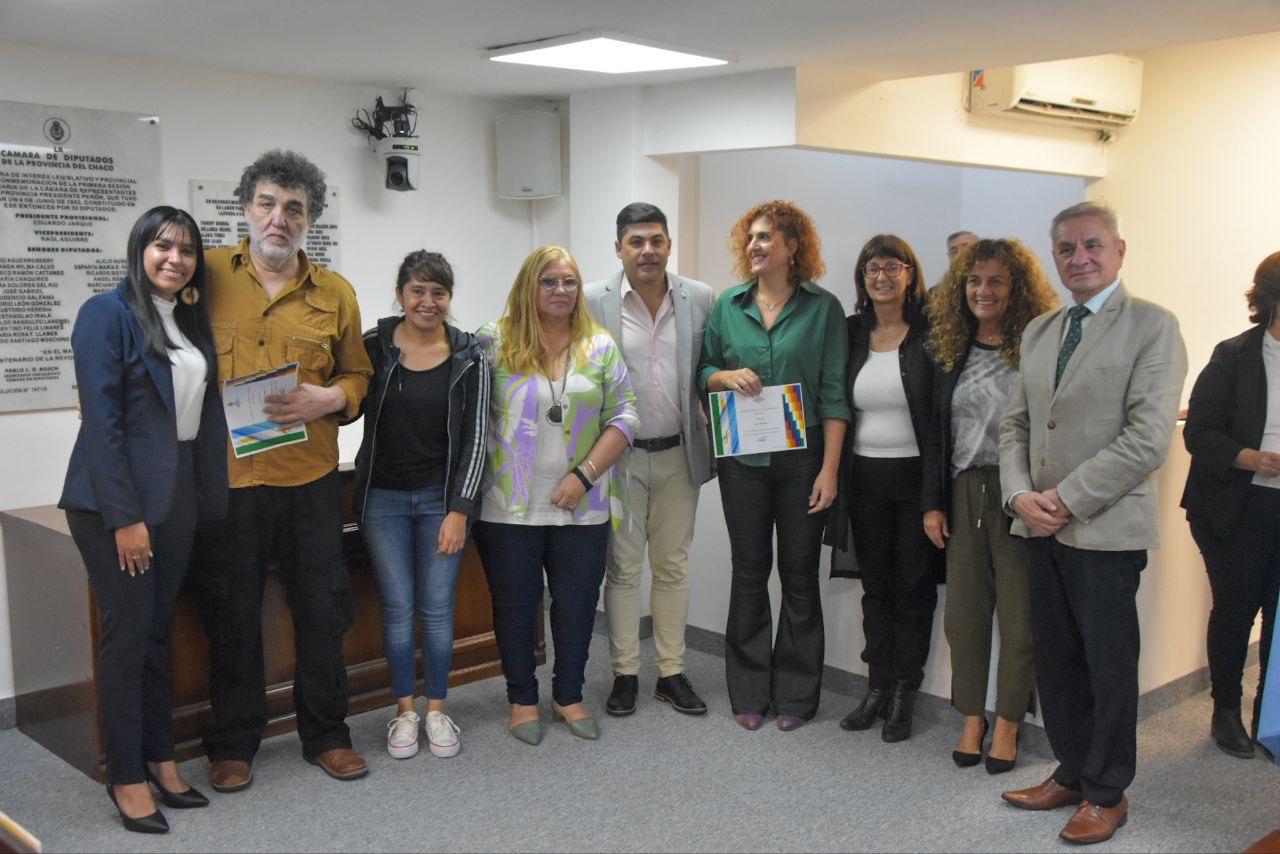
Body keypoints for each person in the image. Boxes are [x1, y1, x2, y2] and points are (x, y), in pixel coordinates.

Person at [999, 202, 1186, 845]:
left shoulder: (1153, 327)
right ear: (1054, 257)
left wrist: (1065, 499)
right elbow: (1016, 425)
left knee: (1108, 666)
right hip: (1037, 527)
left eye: (1092, 245)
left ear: (1119, 249)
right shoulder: (1041, 330)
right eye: (1067, 248)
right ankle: (1072, 771)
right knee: (1056, 660)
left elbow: (1148, 438)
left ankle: (1107, 791)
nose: (1080, 257)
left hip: (1104, 529)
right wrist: (1019, 495)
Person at [193, 150, 373, 789]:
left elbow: (358, 376)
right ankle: (234, 743)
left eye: (294, 208)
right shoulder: (205, 274)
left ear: (310, 219)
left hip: (311, 481)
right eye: (267, 204)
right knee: (233, 611)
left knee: (322, 610)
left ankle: (327, 735)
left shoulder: (335, 293)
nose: (279, 218)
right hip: (231, 482)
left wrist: (331, 397)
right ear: (246, 208)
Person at [59, 206, 226, 833]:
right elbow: (102, 425)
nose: (174, 259)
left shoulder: (185, 319)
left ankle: (160, 757)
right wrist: (125, 518)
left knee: (157, 632)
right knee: (128, 638)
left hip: (177, 494)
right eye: (162, 246)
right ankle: (124, 776)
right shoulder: (106, 314)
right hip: (114, 502)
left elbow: (196, 417)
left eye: (185, 250)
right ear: (140, 250)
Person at [473, 245, 638, 745]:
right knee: (516, 606)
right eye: (549, 281)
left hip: (582, 505)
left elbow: (626, 416)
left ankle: (568, 694)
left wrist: (584, 475)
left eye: (569, 281)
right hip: (507, 506)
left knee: (575, 604)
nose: (561, 291)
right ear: (529, 286)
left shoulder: (600, 345)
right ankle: (522, 699)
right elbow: (469, 417)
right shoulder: (492, 342)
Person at [699, 200, 849, 732]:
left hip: (802, 462)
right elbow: (704, 371)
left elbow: (833, 395)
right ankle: (748, 693)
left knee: (800, 578)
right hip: (742, 460)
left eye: (767, 238)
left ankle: (796, 695)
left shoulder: (823, 308)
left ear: (793, 247)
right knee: (748, 575)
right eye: (751, 238)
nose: (756, 246)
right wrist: (725, 377)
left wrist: (829, 471)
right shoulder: (727, 306)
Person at [922, 238, 1058, 772]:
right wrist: (932, 504)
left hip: (1019, 495)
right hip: (963, 492)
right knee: (965, 619)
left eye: (996, 280)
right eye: (974, 281)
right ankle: (971, 717)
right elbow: (936, 434)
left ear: (1016, 288)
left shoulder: (1035, 348)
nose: (984, 290)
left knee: (1021, 621)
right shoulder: (949, 350)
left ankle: (1008, 724)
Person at [353, 250, 488, 760]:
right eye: (418, 291)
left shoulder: (470, 353)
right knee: (396, 609)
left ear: (449, 298)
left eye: (438, 292)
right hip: (381, 499)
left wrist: (460, 509)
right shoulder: (374, 346)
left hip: (440, 500)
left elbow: (477, 439)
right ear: (401, 292)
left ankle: (436, 709)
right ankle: (404, 711)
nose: (428, 302)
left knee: (435, 610)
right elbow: (344, 403)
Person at [585, 203, 715, 718]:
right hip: (618, 459)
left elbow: (709, 372)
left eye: (657, 240)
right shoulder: (593, 300)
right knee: (621, 568)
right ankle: (623, 673)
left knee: (672, 566)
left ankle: (671, 672)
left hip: (680, 454)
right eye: (636, 241)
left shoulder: (699, 298)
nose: (648, 251)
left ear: (668, 245)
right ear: (619, 248)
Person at [828, 234, 942, 743]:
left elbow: (940, 423)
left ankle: (903, 694)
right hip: (865, 479)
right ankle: (875, 686)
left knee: (913, 590)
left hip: (916, 481)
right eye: (871, 268)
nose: (881, 277)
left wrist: (936, 498)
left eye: (892, 266)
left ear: (910, 274)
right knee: (876, 589)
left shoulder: (930, 335)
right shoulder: (852, 333)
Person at [1181, 251, 1280, 759]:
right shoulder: (1235, 355)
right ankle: (1225, 710)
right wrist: (1252, 459)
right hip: (1234, 506)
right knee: (1237, 610)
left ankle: (1270, 710)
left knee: (1279, 616)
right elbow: (1198, 434)